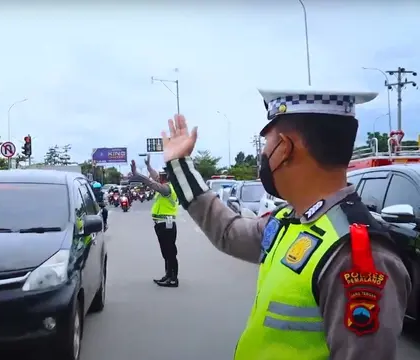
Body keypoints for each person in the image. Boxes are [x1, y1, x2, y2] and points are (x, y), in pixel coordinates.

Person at [161, 87, 411, 359]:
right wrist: (179, 166)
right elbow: (228, 232)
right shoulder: (287, 221)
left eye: (267, 144)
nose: (263, 156)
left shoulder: (355, 255)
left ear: (286, 147)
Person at [130, 154, 180, 287]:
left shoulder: (168, 188)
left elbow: (152, 183)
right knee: (166, 252)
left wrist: (137, 174)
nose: (162, 175)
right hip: (161, 224)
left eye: (165, 173)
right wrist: (148, 166)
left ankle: (173, 278)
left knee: (170, 252)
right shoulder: (167, 185)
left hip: (166, 224)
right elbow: (154, 177)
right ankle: (168, 275)